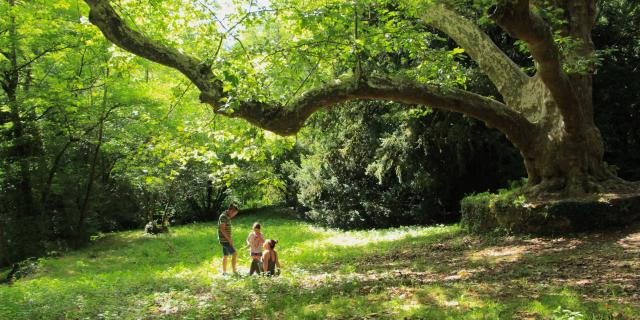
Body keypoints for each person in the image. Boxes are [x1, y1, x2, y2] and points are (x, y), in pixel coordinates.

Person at [218, 204, 239, 274]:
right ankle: (234, 271)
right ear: (231, 211)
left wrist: (229, 238)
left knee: (225, 255)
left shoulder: (227, 216)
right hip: (225, 240)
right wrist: (229, 239)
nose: (234, 216)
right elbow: (222, 229)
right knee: (235, 253)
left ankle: (224, 272)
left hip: (225, 239)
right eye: (234, 214)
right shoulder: (223, 216)